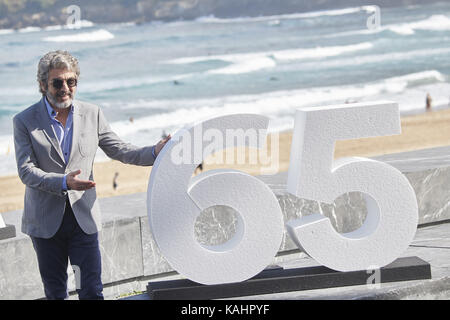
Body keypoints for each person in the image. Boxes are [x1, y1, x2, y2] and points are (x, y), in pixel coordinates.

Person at [13, 50, 171, 300]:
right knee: (55, 293)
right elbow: (26, 171)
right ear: (43, 85)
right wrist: (64, 182)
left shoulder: (92, 113)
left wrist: (154, 151)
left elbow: (119, 150)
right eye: (57, 82)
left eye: (71, 81)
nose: (65, 87)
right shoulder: (24, 121)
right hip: (44, 222)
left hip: (83, 219)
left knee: (92, 291)